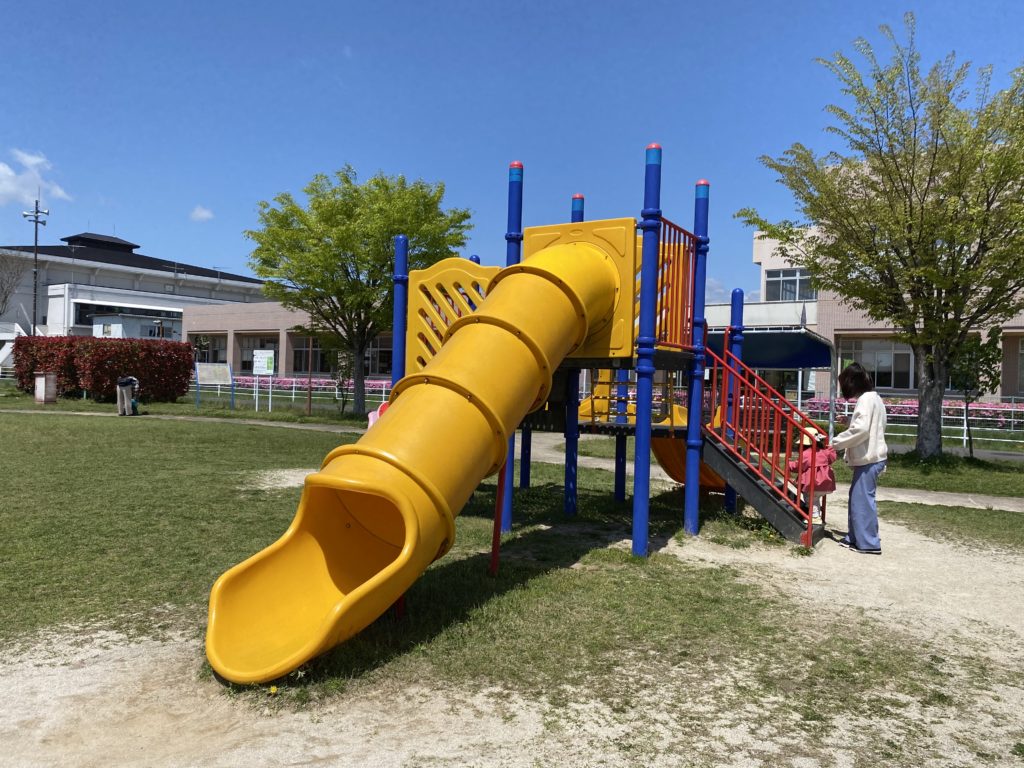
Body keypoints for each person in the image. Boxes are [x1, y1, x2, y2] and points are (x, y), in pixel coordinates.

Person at [832, 362, 888, 554]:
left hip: (869, 458)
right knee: (858, 499)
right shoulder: (875, 398)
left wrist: (835, 442)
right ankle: (856, 538)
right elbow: (871, 425)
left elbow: (862, 429)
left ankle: (869, 543)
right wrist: (849, 421)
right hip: (872, 457)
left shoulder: (865, 400)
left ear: (852, 382)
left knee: (862, 500)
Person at [787, 427, 837, 524]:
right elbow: (832, 457)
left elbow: (799, 466)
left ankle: (815, 517)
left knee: (810, 498)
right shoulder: (824, 452)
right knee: (814, 498)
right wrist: (829, 447)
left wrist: (789, 464)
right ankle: (812, 510)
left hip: (813, 484)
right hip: (825, 483)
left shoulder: (806, 454)